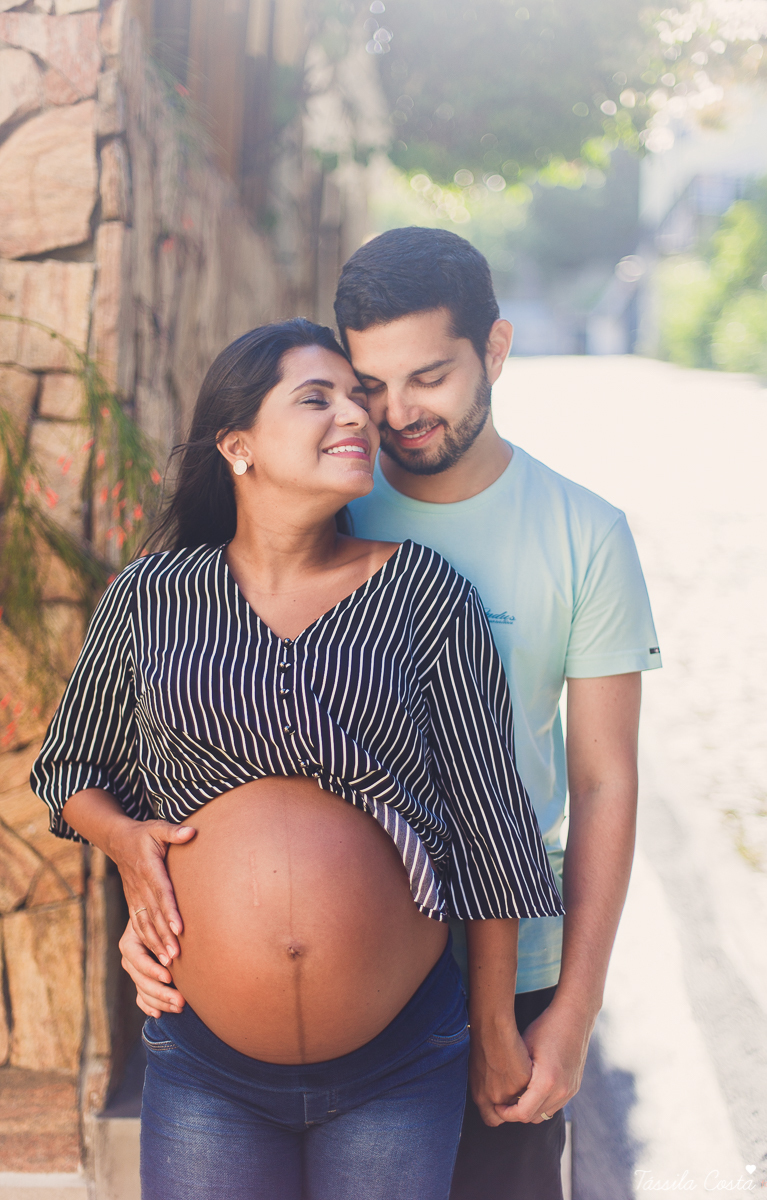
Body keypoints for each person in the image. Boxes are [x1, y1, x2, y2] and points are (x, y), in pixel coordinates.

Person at [31, 318, 564, 1200]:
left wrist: (496, 1025)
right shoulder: (152, 598)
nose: (356, 414)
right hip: (205, 1060)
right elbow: (69, 769)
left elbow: (487, 821)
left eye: (356, 397)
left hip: (400, 1059)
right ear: (237, 444)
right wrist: (128, 843)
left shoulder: (423, 592)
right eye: (316, 398)